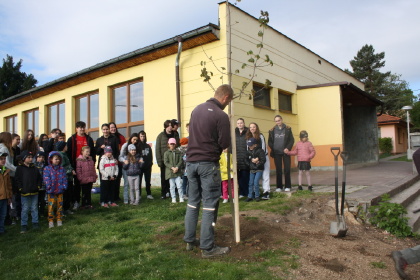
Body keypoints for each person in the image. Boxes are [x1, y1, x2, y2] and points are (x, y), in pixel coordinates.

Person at [184, 84, 233, 258]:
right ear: (225, 98)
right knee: (210, 205)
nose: (227, 104)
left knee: (193, 202)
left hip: (190, 163)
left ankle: (190, 240)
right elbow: (225, 142)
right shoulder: (221, 115)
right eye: (229, 101)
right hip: (208, 165)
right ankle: (207, 248)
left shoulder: (197, 110)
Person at [66, 121, 96, 210]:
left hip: (87, 164)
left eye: (83, 127)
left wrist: (92, 162)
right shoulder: (72, 139)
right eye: (80, 127)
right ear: (76, 128)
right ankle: (76, 202)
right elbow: (68, 153)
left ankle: (86, 202)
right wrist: (71, 166)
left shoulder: (89, 139)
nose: (82, 129)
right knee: (77, 185)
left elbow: (93, 152)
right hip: (76, 164)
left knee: (88, 185)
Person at [15, 151, 42, 233]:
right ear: (24, 159)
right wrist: (20, 189)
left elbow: (39, 179)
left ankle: (35, 223)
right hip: (24, 192)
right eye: (28, 157)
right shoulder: (19, 168)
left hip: (34, 192)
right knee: (25, 209)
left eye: (31, 157)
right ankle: (24, 224)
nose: (30, 159)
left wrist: (38, 186)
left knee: (34, 208)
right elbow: (17, 180)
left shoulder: (35, 168)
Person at [268, 115, 294, 192]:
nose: (278, 122)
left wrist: (288, 148)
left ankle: (288, 186)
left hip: (285, 152)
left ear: (281, 120)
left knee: (287, 169)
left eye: (279, 120)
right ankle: (279, 187)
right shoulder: (272, 130)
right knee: (278, 170)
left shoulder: (288, 129)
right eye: (276, 121)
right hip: (276, 153)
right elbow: (269, 141)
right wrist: (273, 148)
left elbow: (291, 140)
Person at [246, 122, 270, 199]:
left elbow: (264, 148)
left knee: (265, 175)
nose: (252, 128)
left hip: (263, 158)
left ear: (256, 128)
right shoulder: (248, 137)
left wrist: (258, 158)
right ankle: (254, 192)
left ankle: (266, 192)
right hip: (253, 160)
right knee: (253, 178)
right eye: (250, 127)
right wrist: (252, 159)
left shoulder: (260, 136)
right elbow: (248, 149)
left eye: (254, 127)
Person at [156, 120, 179, 199]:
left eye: (171, 125)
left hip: (174, 160)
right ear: (165, 126)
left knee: (174, 177)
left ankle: (172, 192)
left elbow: (178, 146)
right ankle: (164, 193)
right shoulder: (160, 136)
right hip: (164, 161)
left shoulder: (175, 134)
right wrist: (159, 161)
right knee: (164, 178)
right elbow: (157, 149)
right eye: (169, 125)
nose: (170, 127)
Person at [44, 151, 67, 228]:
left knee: (59, 205)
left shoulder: (62, 169)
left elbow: (64, 178)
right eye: (55, 159)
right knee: (51, 206)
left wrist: (64, 186)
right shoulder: (47, 169)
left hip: (60, 190)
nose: (57, 161)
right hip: (51, 191)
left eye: (58, 159)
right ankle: (51, 220)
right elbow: (46, 179)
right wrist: (49, 187)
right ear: (51, 159)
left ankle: (59, 219)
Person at [55, 141, 76, 215]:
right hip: (64, 179)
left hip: (69, 178)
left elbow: (68, 165)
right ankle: (62, 210)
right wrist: (71, 171)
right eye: (66, 146)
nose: (67, 147)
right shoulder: (61, 156)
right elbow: (62, 168)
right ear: (63, 147)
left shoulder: (65, 154)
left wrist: (71, 169)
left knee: (69, 194)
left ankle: (66, 208)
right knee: (65, 195)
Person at [119, 133, 139, 204]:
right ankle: (126, 199)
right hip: (126, 166)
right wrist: (124, 161)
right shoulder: (125, 145)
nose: (135, 141)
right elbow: (120, 156)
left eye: (136, 140)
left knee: (133, 185)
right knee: (126, 183)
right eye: (134, 139)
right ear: (131, 138)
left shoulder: (136, 147)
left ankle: (133, 199)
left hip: (134, 168)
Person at [245, 137, 266, 202]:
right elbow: (245, 159)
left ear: (255, 145)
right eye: (249, 145)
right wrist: (250, 164)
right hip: (252, 169)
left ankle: (257, 196)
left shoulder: (260, 151)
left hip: (258, 169)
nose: (249, 147)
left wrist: (257, 164)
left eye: (251, 145)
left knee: (256, 182)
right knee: (250, 183)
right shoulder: (248, 151)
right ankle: (250, 196)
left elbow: (263, 160)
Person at [109, 122, 126, 202]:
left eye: (114, 127)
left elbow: (124, 149)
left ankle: (116, 196)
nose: (113, 129)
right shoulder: (108, 138)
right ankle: (110, 197)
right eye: (111, 127)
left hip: (119, 162)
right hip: (109, 163)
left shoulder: (121, 137)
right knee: (111, 180)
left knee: (117, 179)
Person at [164, 138, 183, 203]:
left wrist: (177, 167)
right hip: (170, 173)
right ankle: (173, 198)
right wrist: (172, 168)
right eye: (171, 144)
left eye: (173, 144)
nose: (172, 145)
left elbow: (181, 160)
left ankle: (181, 197)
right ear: (168, 144)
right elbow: (166, 162)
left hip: (177, 172)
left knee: (179, 186)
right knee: (172, 186)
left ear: (175, 145)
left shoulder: (178, 152)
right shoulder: (166, 153)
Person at [137, 131, 154, 200]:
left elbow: (150, 155)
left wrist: (150, 163)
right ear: (139, 137)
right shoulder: (137, 146)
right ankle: (139, 194)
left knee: (148, 181)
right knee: (139, 181)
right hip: (140, 167)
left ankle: (149, 194)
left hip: (147, 166)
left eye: (143, 136)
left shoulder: (147, 146)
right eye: (141, 136)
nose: (142, 138)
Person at [235, 118, 249, 198]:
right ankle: (241, 192)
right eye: (238, 123)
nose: (240, 124)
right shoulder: (234, 132)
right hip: (237, 157)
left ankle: (247, 192)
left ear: (244, 123)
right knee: (239, 177)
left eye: (241, 123)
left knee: (245, 176)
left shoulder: (247, 132)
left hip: (245, 157)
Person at [0, 152, 13, 234]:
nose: (3, 160)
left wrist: (9, 196)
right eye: (1, 159)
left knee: (3, 215)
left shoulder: (5, 170)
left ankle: (1, 230)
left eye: (4, 159)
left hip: (5, 197)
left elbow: (8, 185)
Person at [34, 151, 47, 217]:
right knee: (36, 201)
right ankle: (36, 213)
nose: (41, 159)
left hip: (44, 186)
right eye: (39, 157)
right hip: (36, 186)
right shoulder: (33, 166)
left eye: (42, 157)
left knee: (42, 200)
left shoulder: (45, 166)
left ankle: (42, 212)